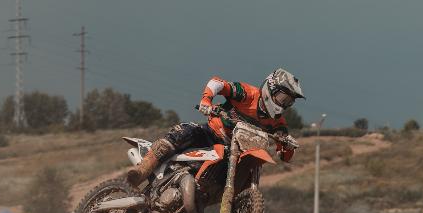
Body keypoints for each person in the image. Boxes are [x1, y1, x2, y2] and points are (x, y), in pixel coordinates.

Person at [126, 68, 305, 191]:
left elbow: (284, 151)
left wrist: (287, 146)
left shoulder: (277, 121)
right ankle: (142, 170)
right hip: (212, 134)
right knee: (184, 132)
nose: (284, 104)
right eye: (283, 98)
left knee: (244, 180)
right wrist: (206, 101)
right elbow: (217, 83)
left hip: (238, 154)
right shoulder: (248, 94)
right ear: (270, 89)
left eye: (289, 101)